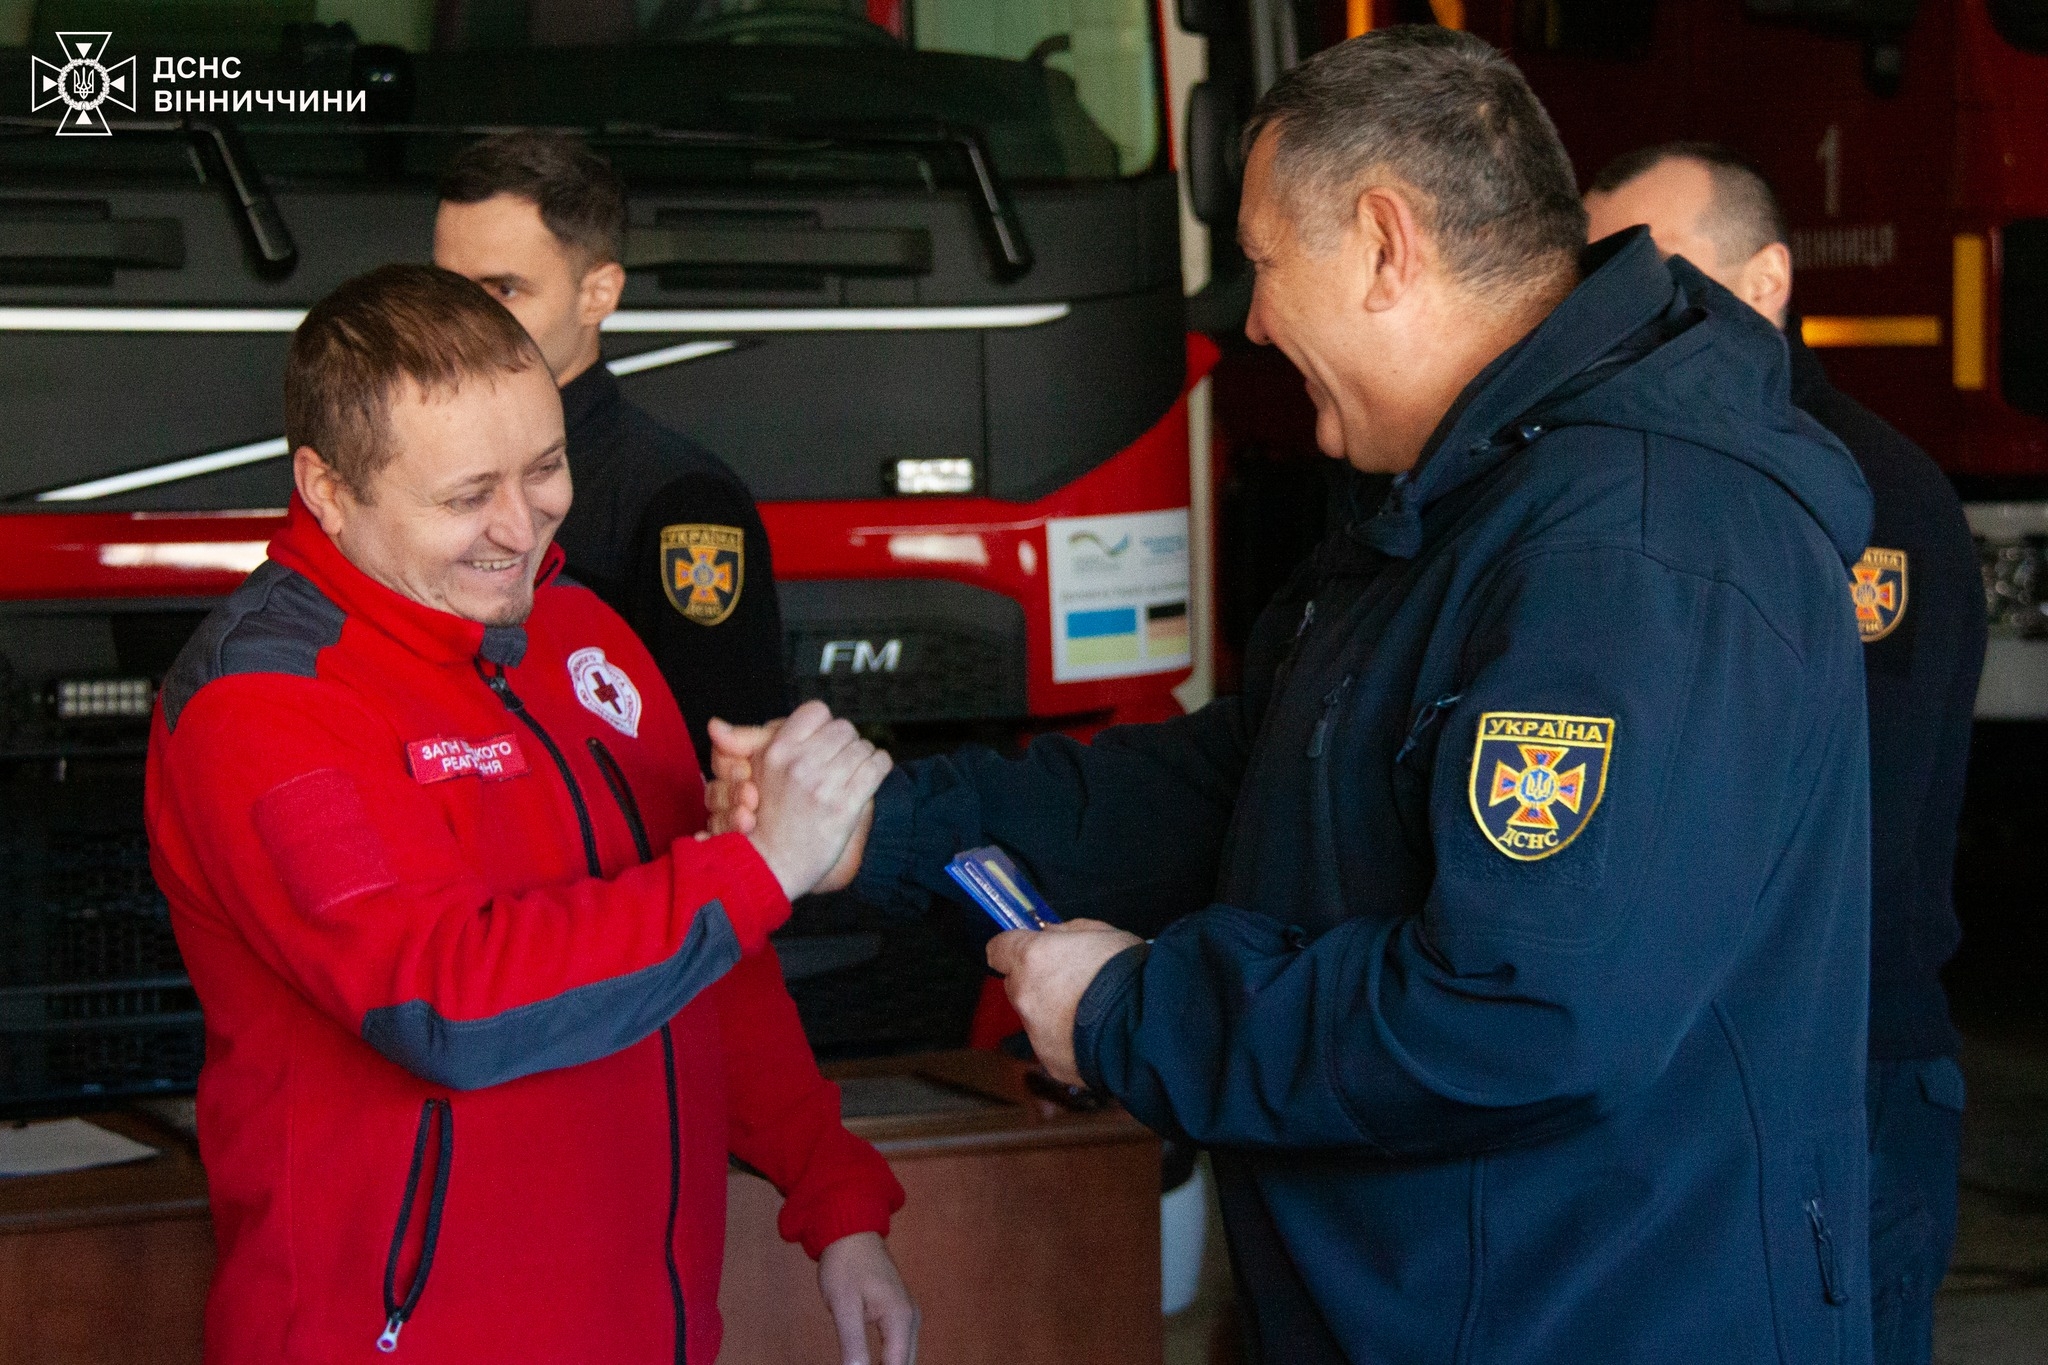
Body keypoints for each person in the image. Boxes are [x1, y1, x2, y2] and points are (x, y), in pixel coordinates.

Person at [711, 27, 1880, 1364]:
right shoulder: (1462, 493)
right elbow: (1244, 783)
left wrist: (1133, 1012)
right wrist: (885, 827)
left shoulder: (1631, 550)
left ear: (1388, 243)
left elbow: (1521, 1011)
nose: (1254, 320)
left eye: (1266, 261)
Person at [145, 264, 915, 1365]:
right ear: (324, 489)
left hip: (650, 1329)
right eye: (466, 497)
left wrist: (832, 1196)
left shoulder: (580, 631)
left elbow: (706, 951)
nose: (521, 525)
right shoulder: (261, 701)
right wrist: (758, 867)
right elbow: (446, 1008)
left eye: (546, 468)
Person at [1586, 142, 1987, 1365]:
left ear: (1763, 282)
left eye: (1651, 279)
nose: (1613, 315)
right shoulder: (1649, 475)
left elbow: (1828, 824)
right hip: (1706, 1085)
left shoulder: (1861, 499)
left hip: (1839, 1082)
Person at [434, 131, 789, 771]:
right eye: (446, 291)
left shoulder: (681, 503)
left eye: (502, 292)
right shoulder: (408, 468)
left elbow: (724, 769)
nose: (461, 323)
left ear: (598, 294)